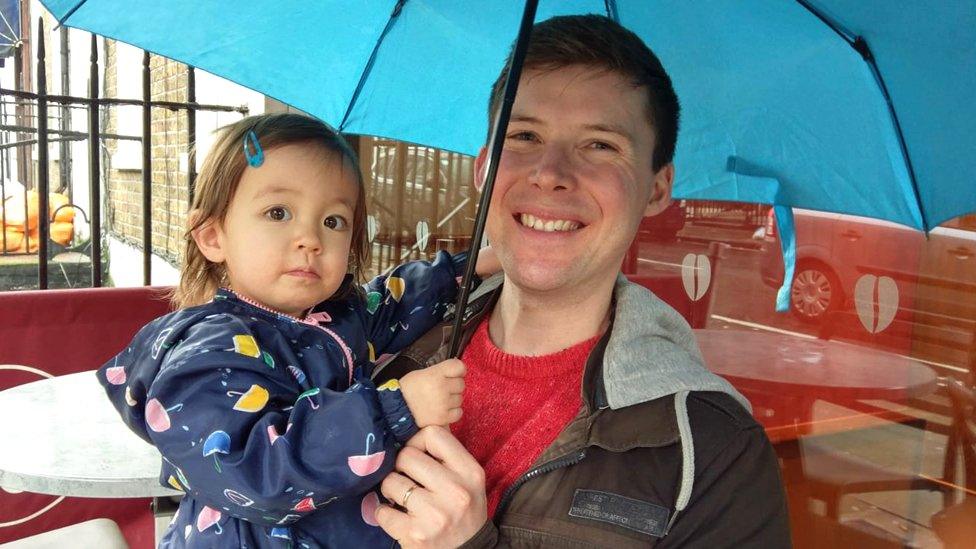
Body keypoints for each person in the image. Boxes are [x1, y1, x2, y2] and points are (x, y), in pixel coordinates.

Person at [372, 15, 792, 548]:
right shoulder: (376, 345)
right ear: (483, 168)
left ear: (658, 187)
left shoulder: (711, 453)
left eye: (599, 146)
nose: (550, 172)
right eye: (524, 135)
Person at [96, 113, 497, 548]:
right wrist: (395, 410)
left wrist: (480, 264)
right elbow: (258, 473)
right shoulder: (204, 352)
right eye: (278, 212)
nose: (310, 238)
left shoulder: (339, 320)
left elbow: (398, 298)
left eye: (333, 221)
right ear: (212, 236)